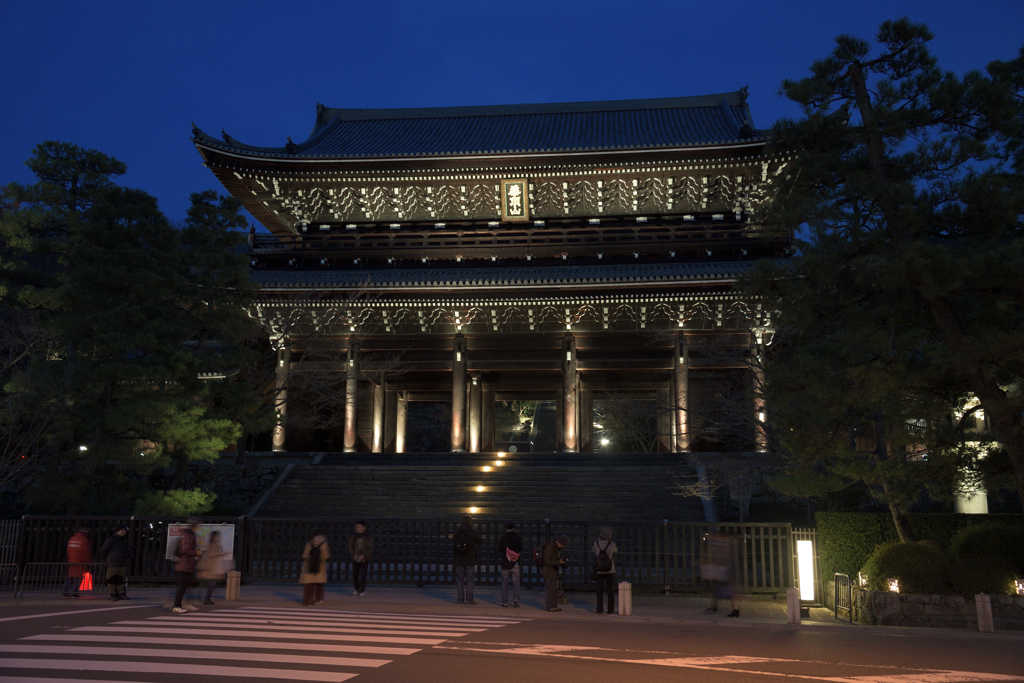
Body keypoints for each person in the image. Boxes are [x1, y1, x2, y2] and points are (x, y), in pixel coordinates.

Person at [702, 531, 740, 617]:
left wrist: (714, 563)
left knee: (729, 591)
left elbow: (723, 558)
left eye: (719, 537)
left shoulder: (725, 546)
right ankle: (714, 607)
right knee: (718, 589)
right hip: (724, 570)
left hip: (726, 571)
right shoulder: (724, 544)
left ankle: (735, 609)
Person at [172, 518, 202, 614]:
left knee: (187, 585)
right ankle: (177, 606)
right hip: (183, 565)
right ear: (195, 526)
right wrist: (196, 552)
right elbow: (185, 550)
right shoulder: (188, 535)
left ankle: (187, 604)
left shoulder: (189, 535)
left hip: (187, 565)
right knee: (182, 587)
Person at [452, 515, 482, 605]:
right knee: (470, 580)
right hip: (470, 560)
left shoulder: (457, 532)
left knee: (460, 580)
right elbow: (480, 541)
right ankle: (469, 600)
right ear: (470, 523)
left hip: (459, 560)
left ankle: (460, 600)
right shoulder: (472, 532)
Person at [196, 529, 229, 605]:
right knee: (211, 584)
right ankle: (206, 599)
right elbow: (211, 554)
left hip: (210, 567)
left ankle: (202, 597)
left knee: (205, 583)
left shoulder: (211, 544)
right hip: (211, 567)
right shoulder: (214, 545)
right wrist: (221, 554)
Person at [300, 531, 330, 607]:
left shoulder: (309, 542)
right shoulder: (324, 543)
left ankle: (307, 601)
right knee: (319, 583)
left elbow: (304, 555)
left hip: (309, 565)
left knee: (309, 585)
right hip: (320, 566)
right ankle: (318, 599)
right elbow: (326, 556)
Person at [99, 525, 130, 601]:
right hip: (113, 563)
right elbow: (103, 550)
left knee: (120, 579)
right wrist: (108, 559)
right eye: (122, 530)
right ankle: (112, 593)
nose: (123, 532)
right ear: (117, 531)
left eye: (124, 531)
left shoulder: (123, 541)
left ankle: (120, 593)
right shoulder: (111, 540)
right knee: (111, 579)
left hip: (121, 563)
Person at [497, 521, 523, 608]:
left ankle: (505, 602)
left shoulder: (503, 538)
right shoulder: (518, 538)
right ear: (514, 528)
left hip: (505, 563)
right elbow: (521, 548)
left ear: (505, 529)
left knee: (504, 583)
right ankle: (516, 601)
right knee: (516, 583)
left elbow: (499, 549)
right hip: (515, 563)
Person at [592, 527, 618, 614]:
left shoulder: (596, 543)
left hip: (599, 569)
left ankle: (599, 609)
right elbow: (616, 551)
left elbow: (593, 550)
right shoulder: (612, 544)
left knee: (599, 590)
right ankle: (610, 610)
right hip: (610, 569)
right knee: (610, 590)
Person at [542, 533, 568, 612]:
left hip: (553, 571)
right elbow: (547, 561)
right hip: (549, 571)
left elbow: (554, 559)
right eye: (562, 545)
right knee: (550, 590)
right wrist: (559, 562)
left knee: (554, 589)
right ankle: (550, 607)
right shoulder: (550, 547)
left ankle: (554, 605)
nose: (562, 547)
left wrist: (560, 561)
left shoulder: (555, 547)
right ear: (558, 542)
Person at [64, 527, 92, 598]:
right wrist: (88, 563)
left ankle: (66, 592)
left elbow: (68, 551)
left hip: (71, 561)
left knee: (70, 576)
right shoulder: (85, 540)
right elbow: (86, 552)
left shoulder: (72, 539)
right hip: (80, 561)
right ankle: (75, 592)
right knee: (78, 577)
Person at [347, 521, 373, 597]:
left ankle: (362, 590)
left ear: (365, 528)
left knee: (363, 575)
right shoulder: (354, 537)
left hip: (365, 558)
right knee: (355, 574)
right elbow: (350, 547)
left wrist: (364, 555)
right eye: (357, 527)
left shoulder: (367, 537)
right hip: (356, 558)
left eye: (361, 527)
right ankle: (356, 588)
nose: (359, 528)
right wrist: (354, 554)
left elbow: (371, 548)